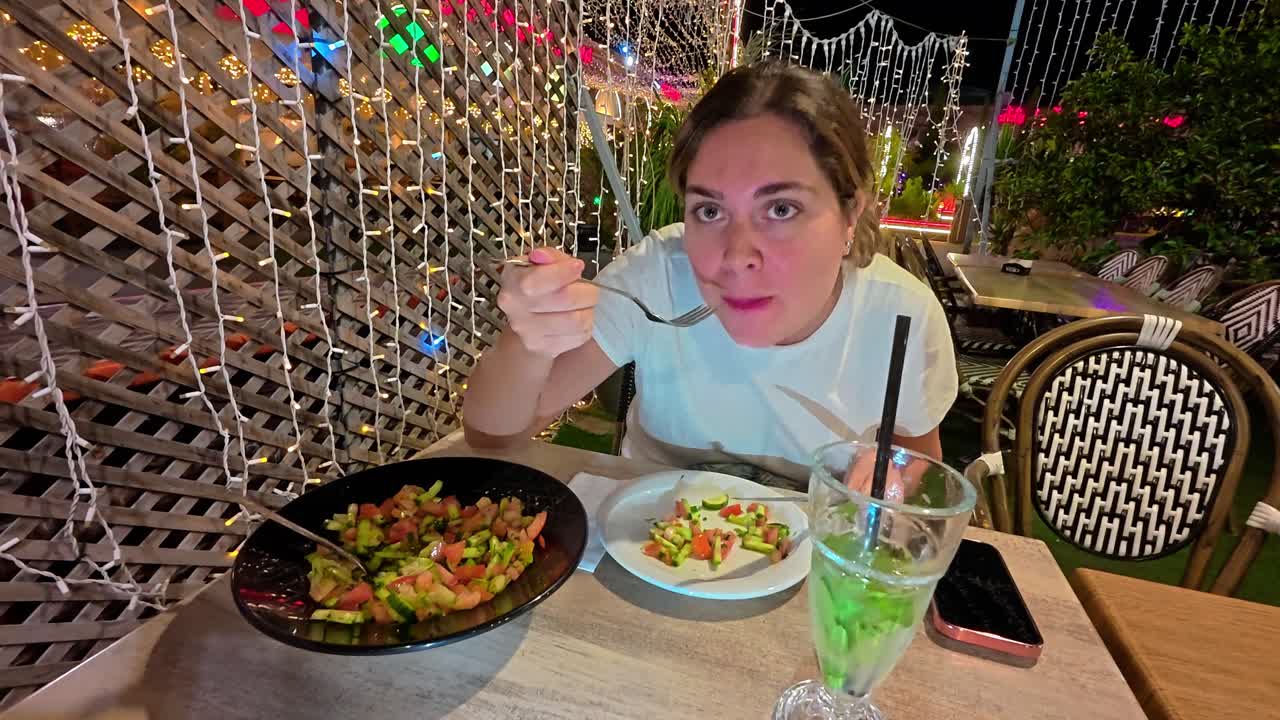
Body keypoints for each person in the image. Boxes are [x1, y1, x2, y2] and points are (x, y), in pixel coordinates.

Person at [463, 62, 956, 491]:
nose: (736, 255)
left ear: (851, 214)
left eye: (781, 208)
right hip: (651, 550)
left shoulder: (900, 316)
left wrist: (892, 472)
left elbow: (919, 459)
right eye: (710, 210)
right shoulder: (657, 277)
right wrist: (526, 343)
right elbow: (493, 436)